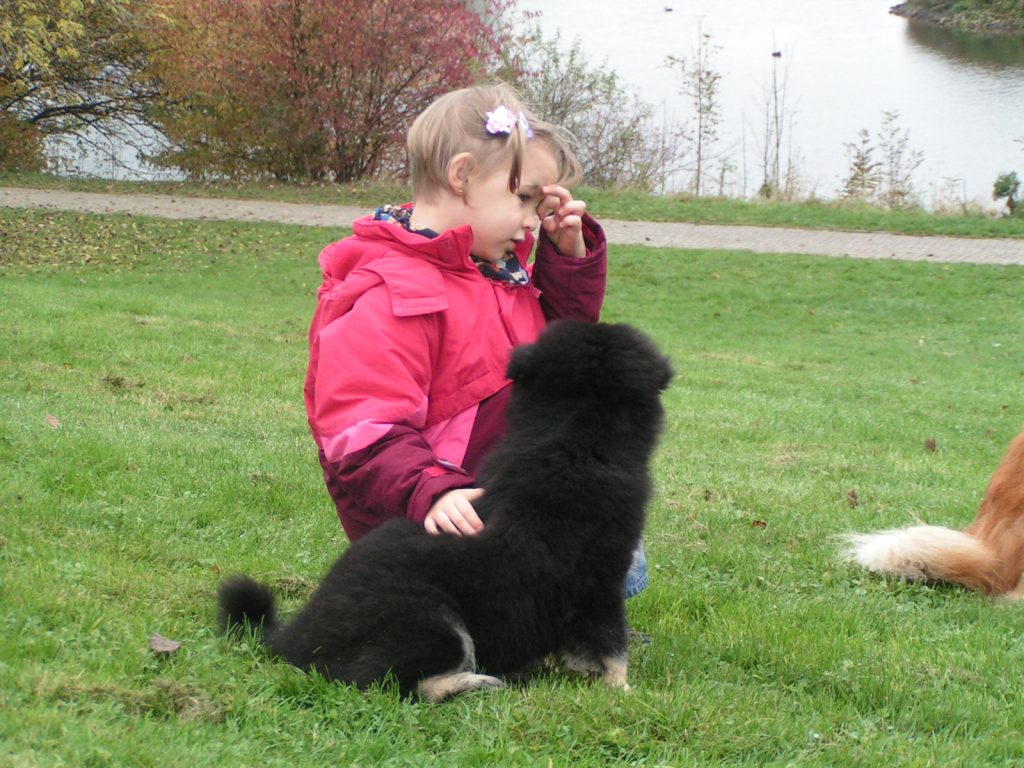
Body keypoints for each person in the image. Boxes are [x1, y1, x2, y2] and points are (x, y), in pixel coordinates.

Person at [304, 83, 647, 599]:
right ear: (462, 175)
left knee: (613, 537)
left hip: (502, 497)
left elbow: (560, 361)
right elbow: (361, 432)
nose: (531, 220)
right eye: (524, 198)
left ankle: (547, 604)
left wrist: (566, 258)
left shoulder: (495, 272)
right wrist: (433, 491)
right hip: (440, 517)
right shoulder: (392, 292)